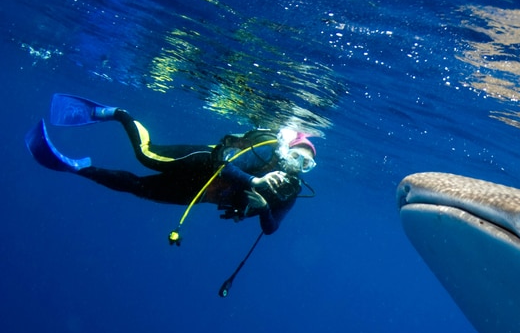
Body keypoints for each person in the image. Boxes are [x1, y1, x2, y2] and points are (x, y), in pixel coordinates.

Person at [25, 94, 316, 237]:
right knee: (146, 154)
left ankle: (79, 168)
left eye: (307, 163)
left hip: (200, 194)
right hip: (204, 163)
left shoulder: (290, 191)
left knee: (137, 187)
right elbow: (221, 162)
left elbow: (271, 228)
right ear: (286, 149)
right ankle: (118, 114)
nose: (298, 164)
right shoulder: (266, 154)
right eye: (297, 154)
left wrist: (263, 206)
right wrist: (254, 182)